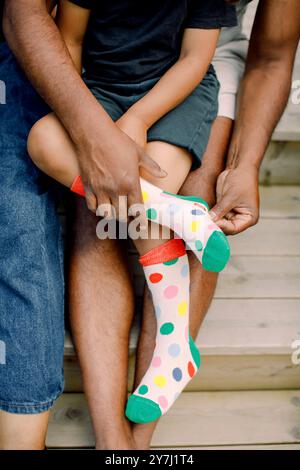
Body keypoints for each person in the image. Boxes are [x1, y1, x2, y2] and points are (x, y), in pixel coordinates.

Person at [1, 0, 299, 450]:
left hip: (188, 75)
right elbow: (60, 34)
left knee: (166, 192)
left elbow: (258, 56)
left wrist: (243, 164)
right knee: (98, 204)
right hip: (102, 76)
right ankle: (112, 442)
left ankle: (146, 425)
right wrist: (92, 131)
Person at [27, 0, 235, 425]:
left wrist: (138, 118)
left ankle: (174, 347)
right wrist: (93, 129)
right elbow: (70, 39)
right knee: (41, 141)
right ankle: (180, 215)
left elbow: (196, 59)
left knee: (149, 193)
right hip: (98, 92)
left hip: (174, 95)